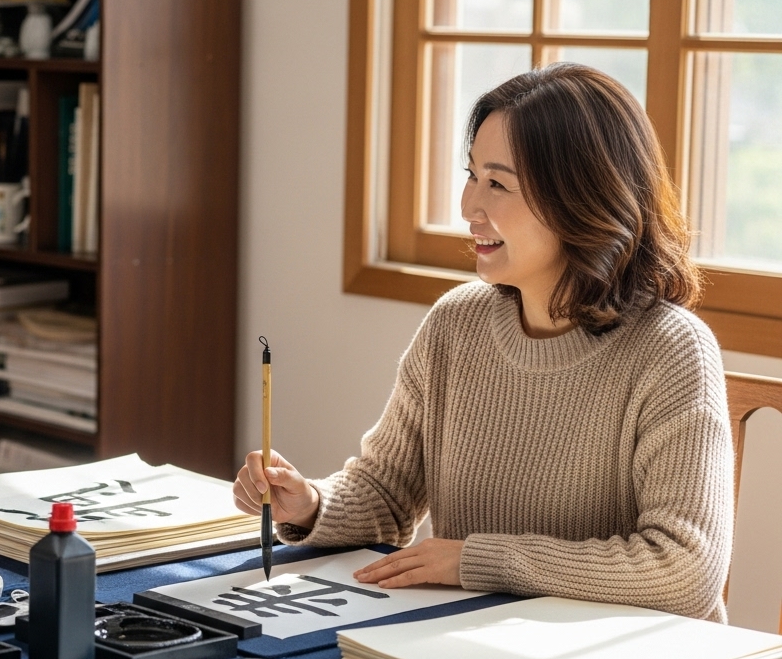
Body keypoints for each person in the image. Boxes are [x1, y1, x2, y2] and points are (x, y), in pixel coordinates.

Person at [232, 63, 733, 621]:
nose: (469, 207)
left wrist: (477, 560)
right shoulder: (457, 324)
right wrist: (312, 504)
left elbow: (685, 570)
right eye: (471, 175)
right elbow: (388, 492)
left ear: (582, 198)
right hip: (476, 641)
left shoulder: (673, 351)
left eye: (497, 184)